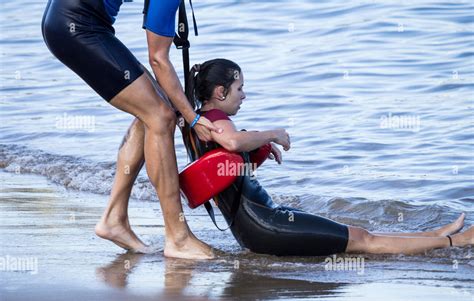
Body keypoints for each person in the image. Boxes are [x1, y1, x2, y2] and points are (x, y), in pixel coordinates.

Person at [184, 58, 473, 256]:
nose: (244, 95)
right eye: (239, 88)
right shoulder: (216, 121)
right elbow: (233, 141)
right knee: (362, 241)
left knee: (360, 233)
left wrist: (255, 148)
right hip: (264, 225)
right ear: (221, 92)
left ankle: (435, 235)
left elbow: (229, 161)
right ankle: (454, 242)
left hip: (261, 221)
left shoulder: (204, 123)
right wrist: (271, 134)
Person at [41, 0, 222, 259]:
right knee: (160, 116)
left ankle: (114, 219)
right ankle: (178, 238)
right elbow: (158, 60)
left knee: (156, 106)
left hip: (70, 22)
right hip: (77, 27)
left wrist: (185, 110)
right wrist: (193, 118)